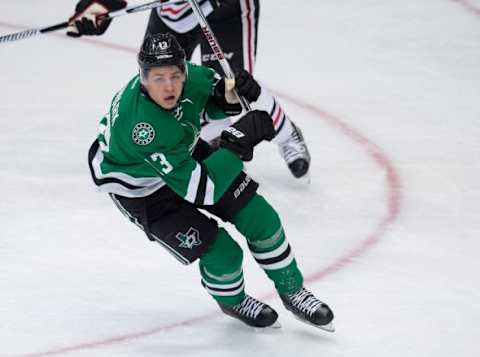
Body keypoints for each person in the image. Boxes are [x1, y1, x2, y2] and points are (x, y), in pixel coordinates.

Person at [88, 32, 334, 330]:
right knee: (223, 252)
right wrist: (237, 141)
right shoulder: (143, 128)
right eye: (158, 78)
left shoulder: (191, 77)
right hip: (142, 189)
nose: (169, 86)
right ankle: (233, 300)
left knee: (261, 217)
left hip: (180, 154)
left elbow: (208, 100)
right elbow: (202, 189)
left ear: (183, 70)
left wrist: (229, 96)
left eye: (175, 76)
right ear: (143, 78)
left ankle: (292, 290)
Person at [69, 0, 312, 179]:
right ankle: (211, 134)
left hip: (226, 11)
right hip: (173, 12)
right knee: (158, 85)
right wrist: (99, 5)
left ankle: (286, 134)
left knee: (234, 88)